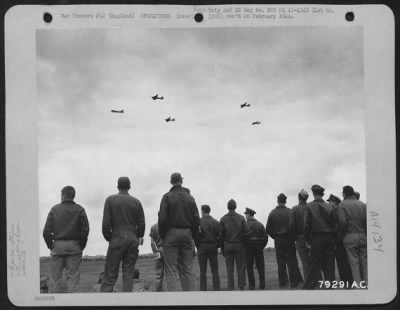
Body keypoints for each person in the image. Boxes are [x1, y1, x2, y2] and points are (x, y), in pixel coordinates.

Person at [101, 176, 145, 292]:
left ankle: (104, 302)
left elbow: (106, 224)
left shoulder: (110, 200)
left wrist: (110, 237)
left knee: (110, 275)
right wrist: (137, 236)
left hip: (116, 238)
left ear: (118, 186)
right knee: (129, 274)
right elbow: (141, 224)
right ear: (129, 187)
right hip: (132, 239)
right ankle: (127, 304)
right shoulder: (137, 202)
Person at [158, 172, 200, 291]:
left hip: (171, 233)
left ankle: (173, 302)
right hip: (187, 233)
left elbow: (162, 218)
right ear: (181, 181)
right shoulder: (190, 198)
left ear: (171, 182)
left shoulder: (166, 197)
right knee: (187, 269)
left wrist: (163, 235)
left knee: (171, 269)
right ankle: (190, 300)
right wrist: (194, 236)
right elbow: (196, 219)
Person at [43, 186, 89, 293]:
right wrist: (81, 245)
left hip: (58, 246)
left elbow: (46, 231)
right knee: (73, 280)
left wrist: (51, 245)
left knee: (55, 280)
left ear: (62, 195)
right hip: (75, 246)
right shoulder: (80, 209)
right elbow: (85, 230)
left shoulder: (54, 209)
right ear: (73, 196)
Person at [303, 185, 336, 289]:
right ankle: (330, 285)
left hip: (316, 238)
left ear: (313, 193)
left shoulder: (309, 206)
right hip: (329, 237)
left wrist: (307, 239)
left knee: (313, 264)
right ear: (322, 194)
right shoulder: (330, 207)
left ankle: (310, 286)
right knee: (329, 264)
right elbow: (334, 225)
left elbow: (306, 225)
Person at [266, 193, 303, 289]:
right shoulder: (290, 212)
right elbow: (294, 227)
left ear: (277, 201)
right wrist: (292, 237)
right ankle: (294, 282)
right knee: (291, 261)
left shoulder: (272, 213)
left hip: (278, 240)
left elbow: (268, 229)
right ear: (285, 201)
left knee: (280, 262)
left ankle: (282, 283)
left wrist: (275, 236)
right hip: (289, 239)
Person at [337, 186, 367, 285]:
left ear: (345, 193)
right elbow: (366, 222)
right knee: (364, 262)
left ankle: (358, 285)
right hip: (362, 235)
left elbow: (342, 222)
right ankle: (367, 283)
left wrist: (341, 236)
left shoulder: (342, 205)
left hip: (349, 236)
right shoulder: (362, 204)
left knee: (354, 263)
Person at [219, 199, 248, 290]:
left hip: (228, 245)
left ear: (228, 207)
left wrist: (223, 248)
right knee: (241, 267)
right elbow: (246, 232)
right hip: (239, 245)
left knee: (229, 268)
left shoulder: (223, 219)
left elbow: (221, 236)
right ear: (235, 206)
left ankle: (230, 287)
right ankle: (241, 285)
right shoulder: (241, 218)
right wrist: (244, 245)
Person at [327, 194, 353, 283]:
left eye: (330, 201)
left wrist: (338, 237)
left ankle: (347, 282)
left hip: (339, 240)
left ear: (334, 202)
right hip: (339, 239)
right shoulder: (335, 210)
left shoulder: (338, 209)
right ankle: (345, 281)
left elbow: (342, 223)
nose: (329, 203)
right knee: (341, 261)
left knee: (342, 261)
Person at [289, 189, 311, 281]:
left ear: (299, 197)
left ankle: (308, 282)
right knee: (314, 260)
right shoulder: (311, 207)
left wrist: (294, 238)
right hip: (312, 237)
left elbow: (291, 225)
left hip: (300, 237)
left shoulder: (294, 209)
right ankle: (317, 280)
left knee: (305, 262)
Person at [197, 204, 221, 291]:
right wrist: (217, 245)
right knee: (215, 270)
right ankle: (217, 288)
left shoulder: (198, 222)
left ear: (202, 211)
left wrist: (198, 245)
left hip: (202, 246)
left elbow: (196, 236)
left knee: (202, 271)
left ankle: (203, 289)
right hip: (213, 245)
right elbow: (220, 236)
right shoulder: (216, 222)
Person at [244, 207, 268, 290]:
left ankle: (252, 285)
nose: (245, 216)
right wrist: (261, 246)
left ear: (249, 214)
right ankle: (262, 284)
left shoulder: (244, 225)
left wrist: (245, 247)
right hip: (258, 246)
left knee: (249, 267)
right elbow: (265, 237)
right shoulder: (260, 224)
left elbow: (242, 237)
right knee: (261, 266)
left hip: (248, 247)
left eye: (246, 214)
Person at [149, 223, 164, 291]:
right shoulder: (168, 224)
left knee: (158, 275)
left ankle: (158, 292)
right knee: (170, 272)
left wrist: (155, 251)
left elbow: (152, 243)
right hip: (168, 250)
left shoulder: (153, 227)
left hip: (158, 250)